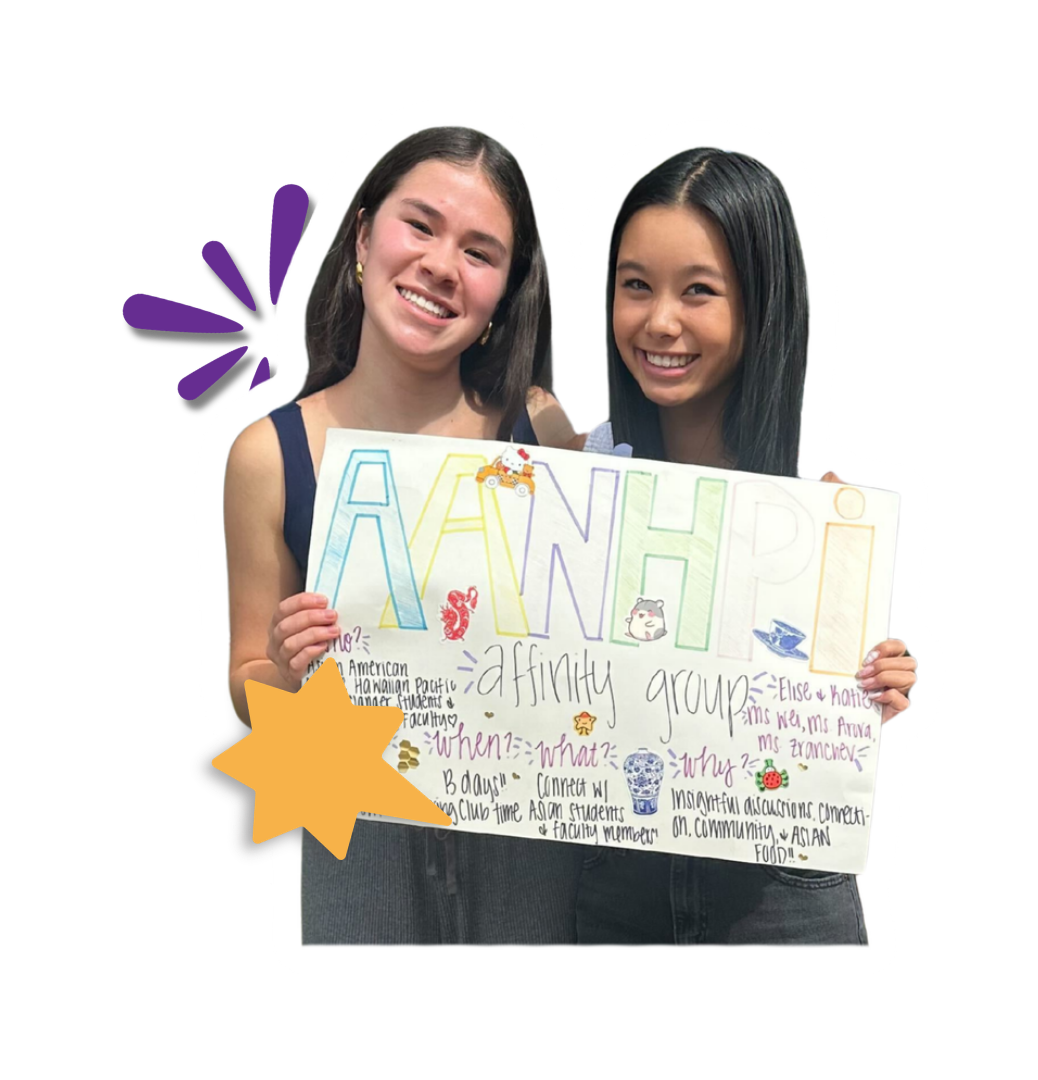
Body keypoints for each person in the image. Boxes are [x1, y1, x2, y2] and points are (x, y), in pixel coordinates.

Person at [223, 127, 586, 944]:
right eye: (420, 225)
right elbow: (246, 674)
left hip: (529, 828)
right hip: (359, 835)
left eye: (480, 252)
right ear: (362, 237)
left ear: (506, 292)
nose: (441, 265)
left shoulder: (538, 429)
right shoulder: (268, 456)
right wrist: (283, 669)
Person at [564, 148, 919, 944]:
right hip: (615, 878)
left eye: (698, 290)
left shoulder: (826, 516)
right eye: (635, 285)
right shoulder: (572, 481)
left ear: (762, 306)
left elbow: (823, 724)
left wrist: (871, 686)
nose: (660, 321)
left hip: (782, 886)